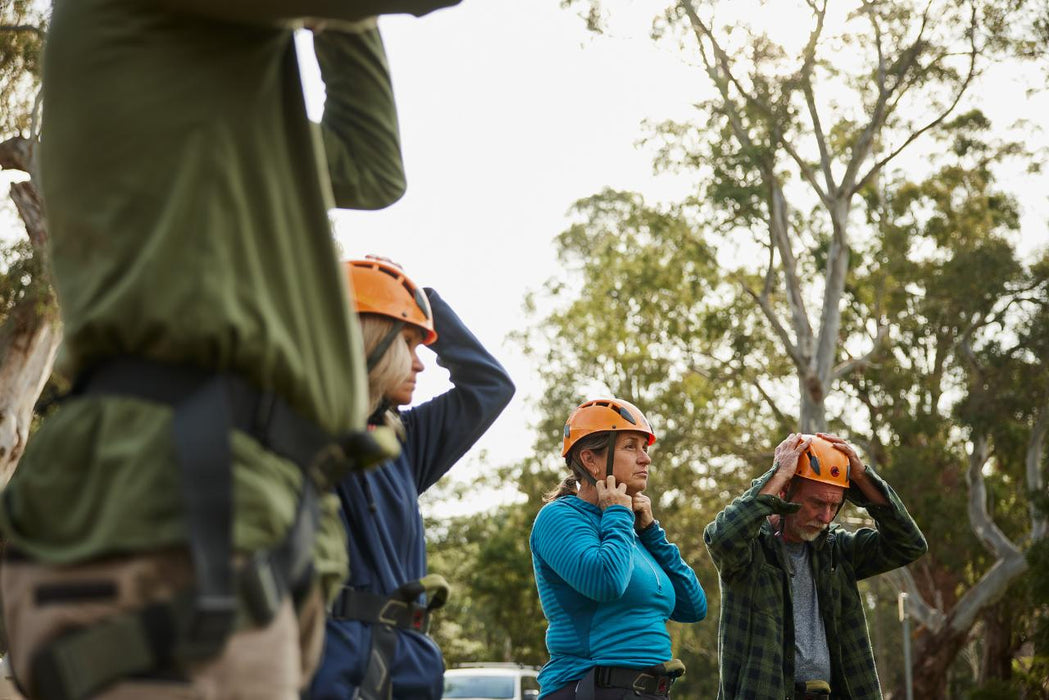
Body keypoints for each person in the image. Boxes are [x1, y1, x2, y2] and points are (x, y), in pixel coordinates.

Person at [0, 2, 459, 698]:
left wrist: (339, 27)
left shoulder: (223, 126)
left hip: (250, 507)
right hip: (170, 492)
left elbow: (370, 166)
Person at [310, 257, 515, 700]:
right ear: (367, 342)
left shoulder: (404, 443)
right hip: (329, 668)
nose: (420, 364)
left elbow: (490, 386)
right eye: (408, 342)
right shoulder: (300, 431)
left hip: (410, 668)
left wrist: (421, 301)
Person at [704, 433, 929, 699]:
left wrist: (861, 478)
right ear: (785, 491)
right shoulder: (751, 551)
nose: (825, 516)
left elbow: (909, 544)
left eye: (834, 505)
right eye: (817, 503)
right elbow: (721, 538)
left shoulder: (838, 551)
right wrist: (777, 475)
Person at [530, 398, 707, 700]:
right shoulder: (559, 517)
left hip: (650, 691)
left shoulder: (629, 530)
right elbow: (605, 583)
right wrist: (617, 514)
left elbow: (693, 606)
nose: (645, 459)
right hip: (590, 688)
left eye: (645, 448)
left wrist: (652, 533)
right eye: (630, 446)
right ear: (590, 459)